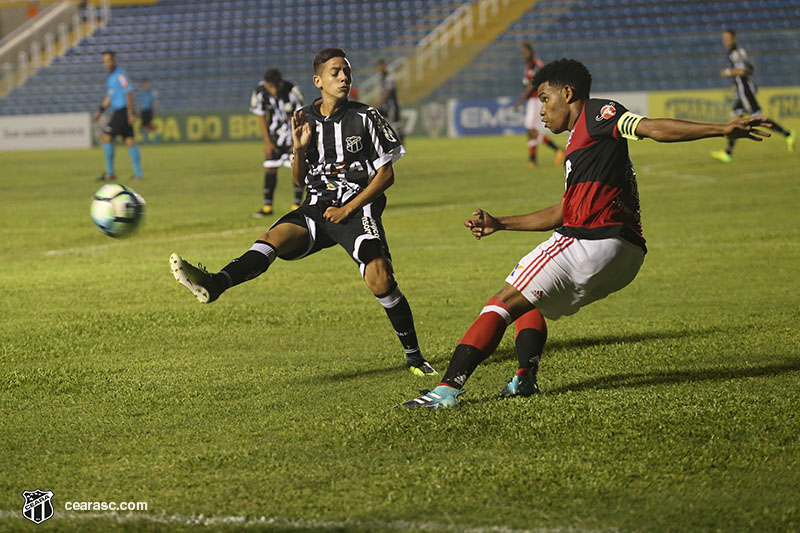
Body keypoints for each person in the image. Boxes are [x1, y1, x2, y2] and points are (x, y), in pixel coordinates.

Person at [398, 58, 773, 408]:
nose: (542, 111)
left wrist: (722, 129)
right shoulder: (582, 142)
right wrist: (501, 223)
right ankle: (524, 379)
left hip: (591, 241)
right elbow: (562, 211)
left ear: (568, 93)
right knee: (529, 299)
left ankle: (445, 391)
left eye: (545, 99)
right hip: (625, 255)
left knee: (500, 303)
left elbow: (651, 128)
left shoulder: (597, 114)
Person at [170, 48, 436, 377]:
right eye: (336, 72)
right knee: (272, 238)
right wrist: (297, 148)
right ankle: (216, 283)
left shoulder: (366, 117)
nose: (344, 77)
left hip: (357, 208)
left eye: (346, 71)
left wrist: (348, 208)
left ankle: (414, 356)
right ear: (318, 81)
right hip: (316, 207)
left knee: (380, 278)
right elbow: (299, 180)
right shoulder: (304, 118)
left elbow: (386, 175)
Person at [710, 29, 795, 163]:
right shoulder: (738, 52)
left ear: (734, 39)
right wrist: (736, 82)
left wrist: (728, 72)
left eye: (727, 38)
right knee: (733, 119)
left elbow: (742, 71)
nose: (725, 41)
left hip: (745, 91)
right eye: (724, 38)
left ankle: (788, 134)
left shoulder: (736, 53)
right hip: (742, 90)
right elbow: (750, 68)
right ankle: (728, 152)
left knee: (757, 118)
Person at [250, 68, 305, 217]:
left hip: (292, 137)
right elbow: (261, 117)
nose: (274, 90)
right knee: (270, 168)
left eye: (276, 86)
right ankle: (267, 207)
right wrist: (267, 142)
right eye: (270, 87)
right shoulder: (260, 92)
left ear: (281, 83)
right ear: (266, 84)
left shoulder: (293, 91)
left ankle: (297, 206)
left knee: (296, 168)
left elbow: (301, 116)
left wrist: (296, 141)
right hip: (274, 137)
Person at [92, 51, 143, 181]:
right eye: (104, 61)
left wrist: (130, 112)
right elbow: (110, 97)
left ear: (114, 60)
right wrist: (100, 110)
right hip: (121, 111)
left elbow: (128, 92)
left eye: (108, 60)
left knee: (106, 138)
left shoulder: (120, 75)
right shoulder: (111, 78)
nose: (106, 64)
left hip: (122, 111)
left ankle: (110, 173)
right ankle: (138, 174)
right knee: (129, 141)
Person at [514, 43, 564, 167]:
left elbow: (533, 83)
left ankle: (557, 149)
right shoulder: (529, 66)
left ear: (531, 52)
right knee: (530, 130)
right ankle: (532, 159)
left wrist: (520, 100)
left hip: (536, 99)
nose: (524, 55)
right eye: (523, 53)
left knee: (530, 128)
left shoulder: (536, 64)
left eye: (526, 52)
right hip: (532, 100)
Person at [376, 58, 404, 142]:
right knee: (382, 121)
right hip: (385, 105)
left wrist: (381, 100)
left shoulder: (389, 77)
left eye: (381, 65)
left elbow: (390, 90)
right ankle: (386, 141)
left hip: (392, 104)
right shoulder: (382, 77)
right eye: (379, 66)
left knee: (396, 123)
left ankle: (401, 141)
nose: (380, 67)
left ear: (384, 66)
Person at [138, 79, 158, 144]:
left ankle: (155, 139)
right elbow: (140, 103)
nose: (146, 86)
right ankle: (145, 141)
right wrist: (139, 111)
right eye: (145, 85)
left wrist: (154, 111)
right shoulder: (141, 93)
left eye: (147, 85)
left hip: (149, 110)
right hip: (143, 111)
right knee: (144, 126)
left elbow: (154, 102)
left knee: (149, 125)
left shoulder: (151, 93)